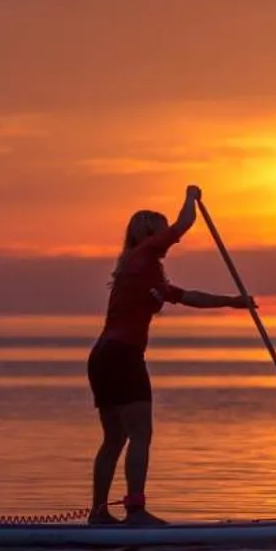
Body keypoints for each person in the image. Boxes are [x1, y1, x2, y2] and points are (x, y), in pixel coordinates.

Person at [88, 185, 252, 525]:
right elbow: (183, 224)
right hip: (121, 355)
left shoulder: (142, 270)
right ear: (151, 233)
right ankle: (135, 511)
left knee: (116, 437)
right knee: (141, 434)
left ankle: (99, 513)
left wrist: (232, 302)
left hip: (104, 356)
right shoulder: (145, 253)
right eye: (162, 232)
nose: (169, 238)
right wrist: (191, 197)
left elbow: (188, 296)